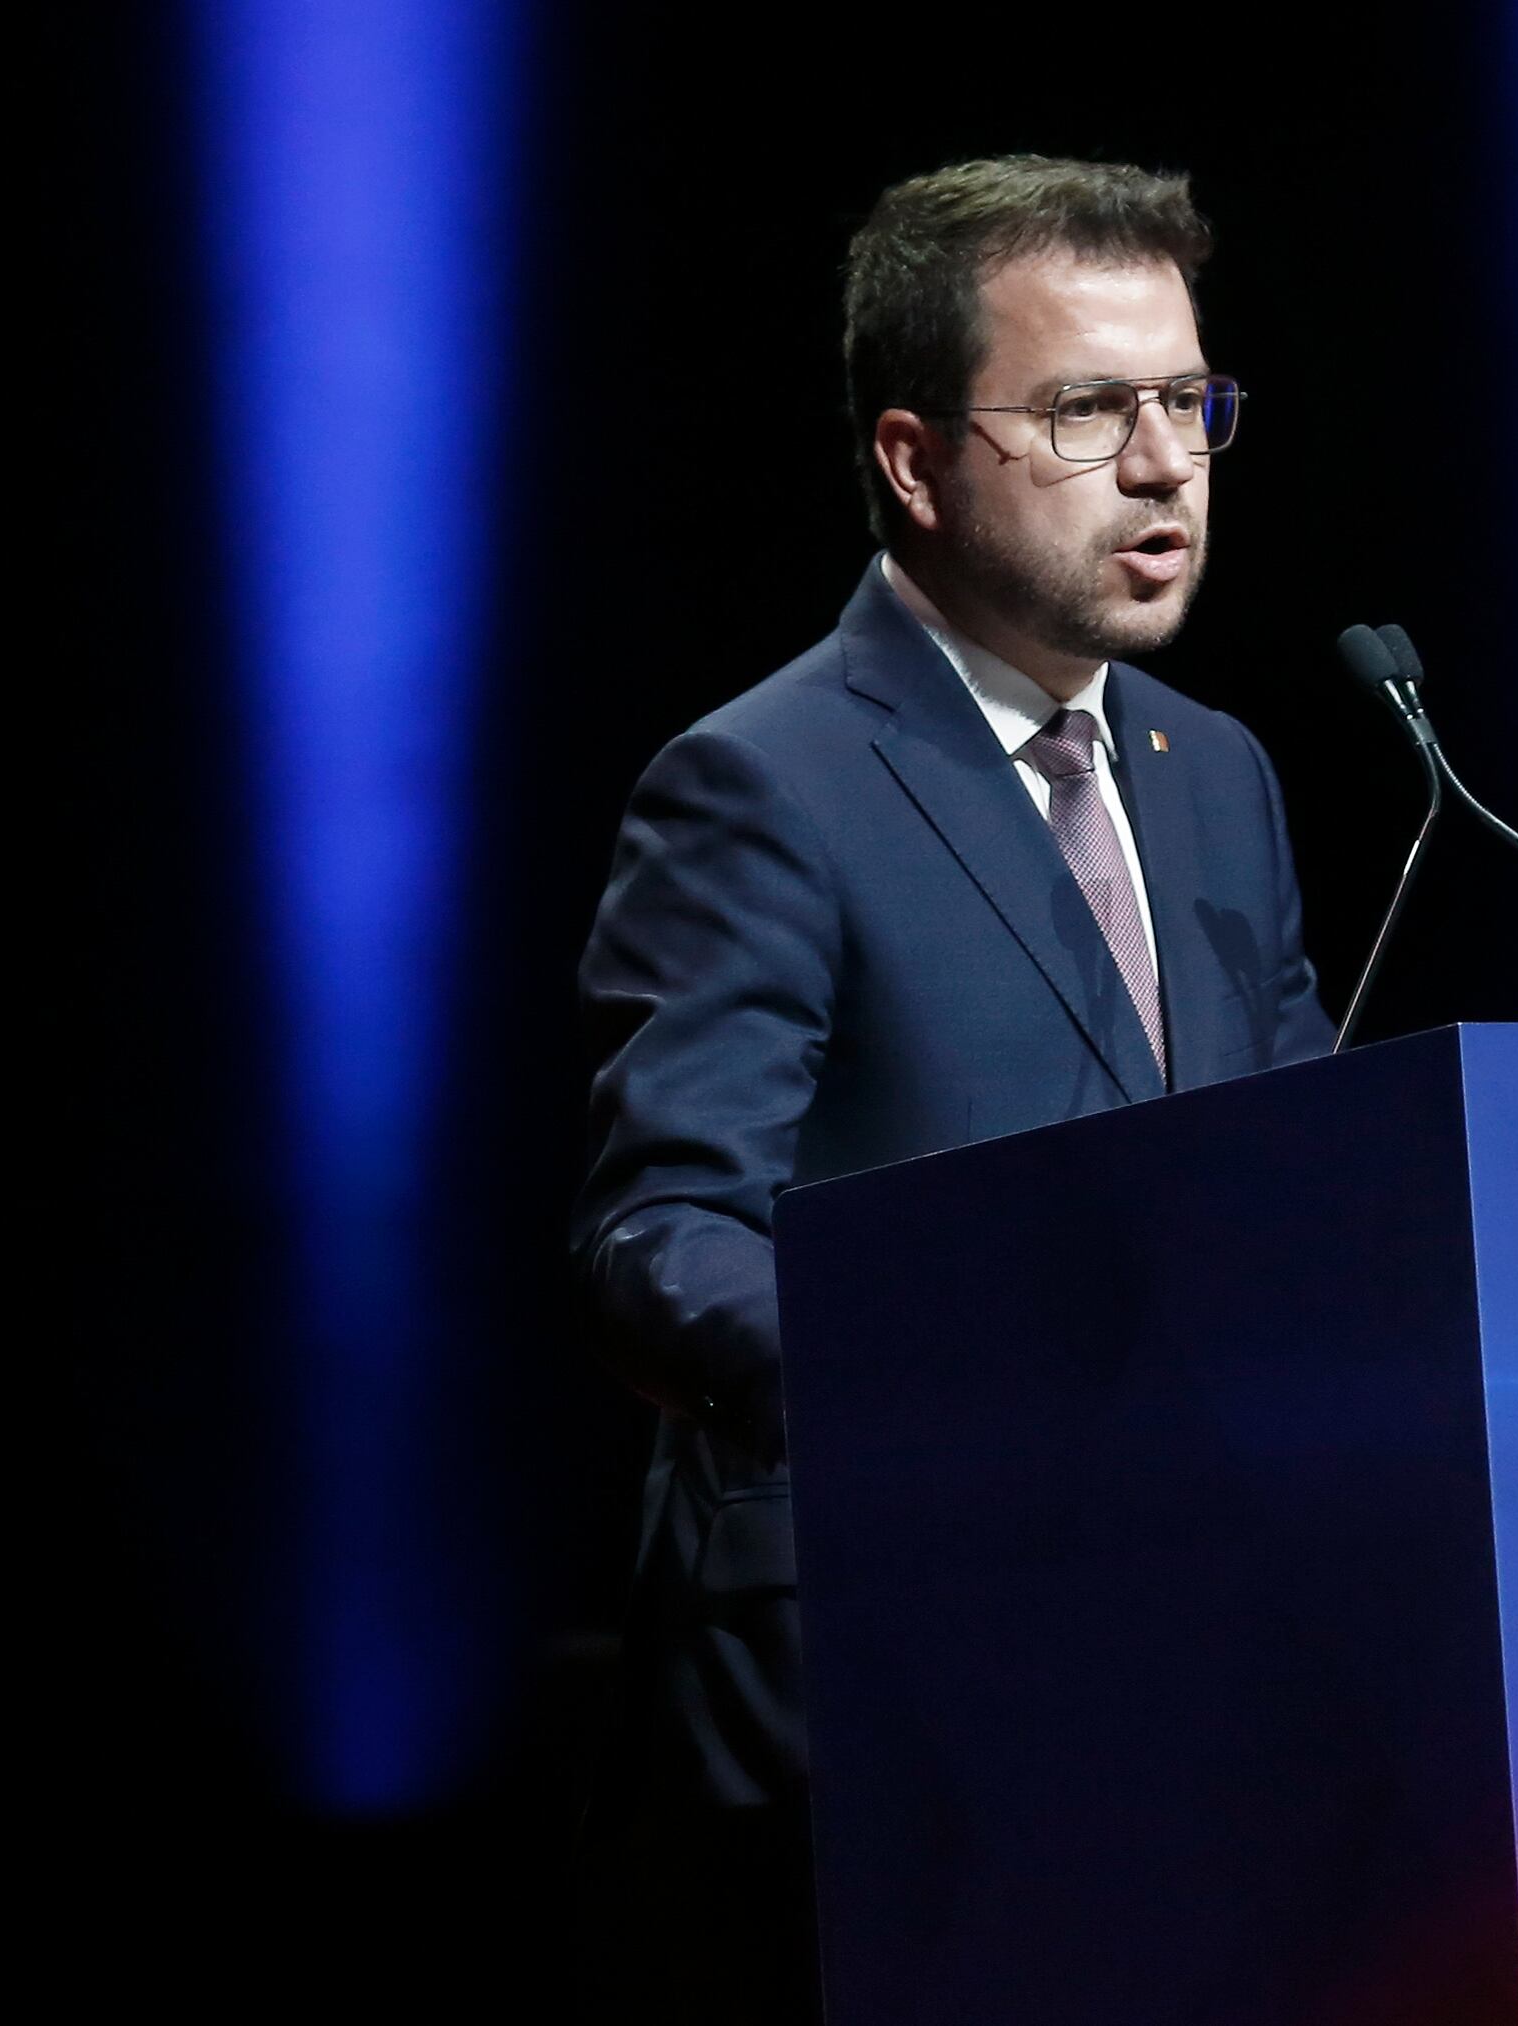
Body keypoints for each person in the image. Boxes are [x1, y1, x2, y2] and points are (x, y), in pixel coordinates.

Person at [569, 155, 1333, 2022]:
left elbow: (1319, 1176)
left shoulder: (1216, 769)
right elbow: (662, 1233)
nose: (1164, 465)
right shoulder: (764, 782)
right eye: (1088, 410)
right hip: (895, 1687)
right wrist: (983, 1369)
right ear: (914, 461)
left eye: (1189, 401)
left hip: (1212, 1678)